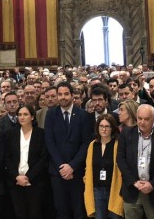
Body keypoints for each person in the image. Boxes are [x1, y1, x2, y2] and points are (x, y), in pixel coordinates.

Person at [44, 81, 92, 219]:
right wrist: (63, 167)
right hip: (57, 171)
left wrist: (72, 166)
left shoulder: (83, 115)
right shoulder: (51, 115)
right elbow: (50, 142)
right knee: (61, 210)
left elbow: (86, 144)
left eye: (66, 94)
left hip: (77, 171)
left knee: (79, 210)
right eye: (60, 94)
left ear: (72, 95)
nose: (63, 97)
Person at [117, 104, 154, 219]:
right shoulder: (126, 134)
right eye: (139, 118)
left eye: (146, 119)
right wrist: (133, 182)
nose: (142, 122)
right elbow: (120, 160)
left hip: (153, 191)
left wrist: (152, 184)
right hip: (132, 189)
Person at [4, 104, 49, 219]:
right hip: (16, 181)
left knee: (35, 213)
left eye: (25, 114)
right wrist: (17, 176)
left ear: (32, 117)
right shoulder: (10, 134)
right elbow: (7, 158)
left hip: (35, 181)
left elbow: (43, 158)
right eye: (19, 115)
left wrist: (28, 176)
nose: (22, 117)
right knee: (19, 213)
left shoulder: (41, 134)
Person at [84, 114, 123, 219]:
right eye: (101, 126)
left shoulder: (117, 144)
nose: (104, 129)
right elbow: (88, 168)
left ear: (112, 128)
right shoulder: (93, 145)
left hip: (114, 189)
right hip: (97, 190)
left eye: (107, 126)